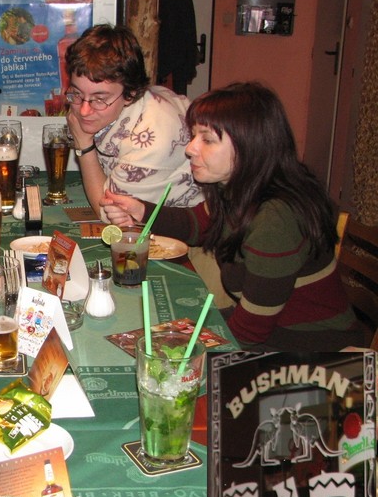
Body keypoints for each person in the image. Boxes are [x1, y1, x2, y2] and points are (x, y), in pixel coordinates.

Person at [102, 82, 360, 351]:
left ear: (250, 144)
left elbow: (250, 332)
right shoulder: (240, 190)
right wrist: (141, 211)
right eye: (193, 136)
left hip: (311, 353)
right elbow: (201, 225)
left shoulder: (275, 218)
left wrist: (184, 351)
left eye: (208, 139)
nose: (190, 148)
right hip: (272, 332)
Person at [64, 24, 202, 218]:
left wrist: (84, 146)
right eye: (77, 93)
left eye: (100, 99)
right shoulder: (128, 102)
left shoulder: (151, 140)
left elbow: (111, 215)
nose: (84, 111)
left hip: (188, 239)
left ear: (130, 93)